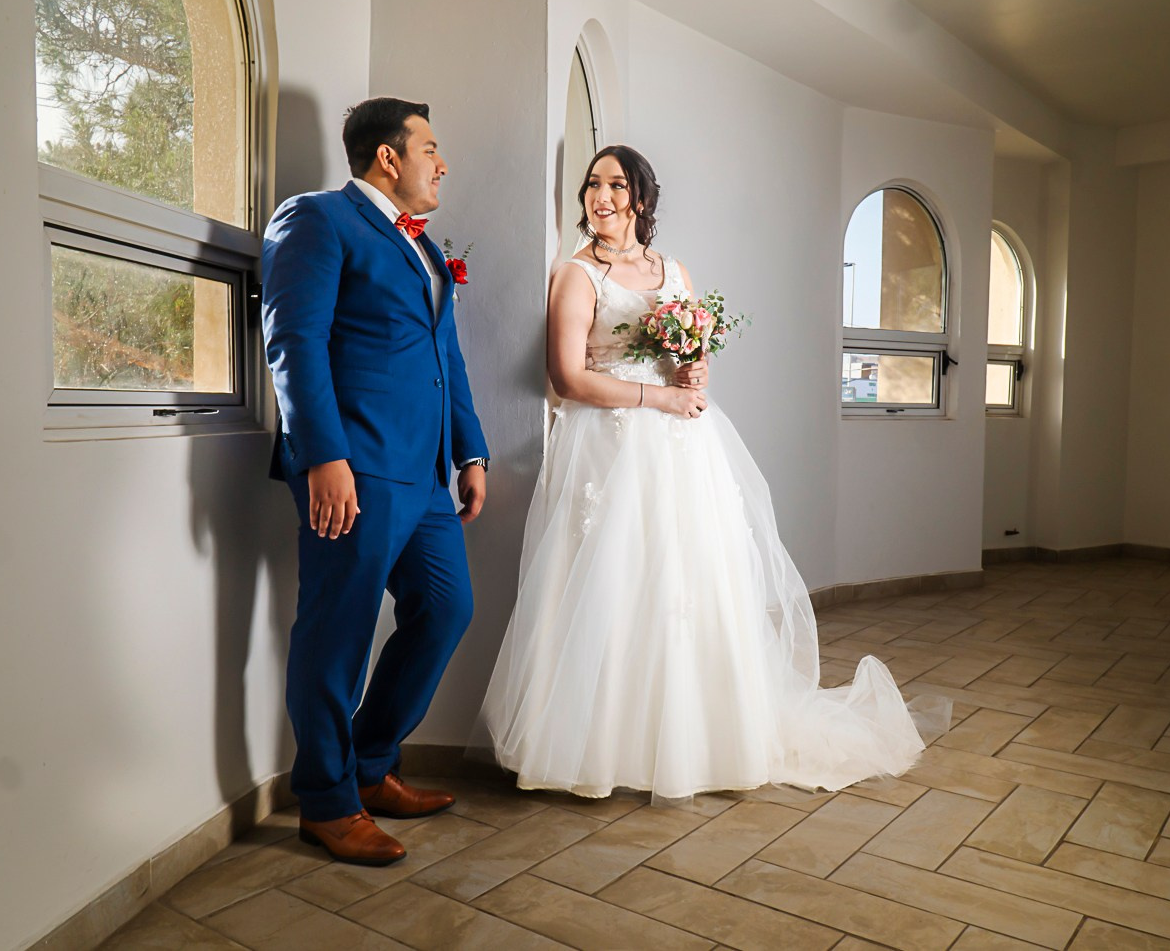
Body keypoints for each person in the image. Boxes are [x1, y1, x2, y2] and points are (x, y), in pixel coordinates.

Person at [476, 145, 933, 801]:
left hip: (682, 448)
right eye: (591, 185)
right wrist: (660, 396)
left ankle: (699, 739)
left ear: (640, 198)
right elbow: (567, 377)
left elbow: (692, 355)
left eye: (615, 184)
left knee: (690, 581)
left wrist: (694, 373)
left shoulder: (672, 269)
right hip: (609, 448)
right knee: (616, 582)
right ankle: (605, 745)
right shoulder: (577, 275)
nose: (599, 197)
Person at [261, 97, 490, 866]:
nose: (442, 161)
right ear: (388, 157)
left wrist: (470, 452)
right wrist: (323, 455)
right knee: (338, 633)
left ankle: (369, 761)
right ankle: (325, 801)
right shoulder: (317, 219)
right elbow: (295, 339)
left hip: (424, 478)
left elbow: (445, 359)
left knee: (447, 608)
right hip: (351, 468)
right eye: (431, 146)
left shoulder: (424, 252)